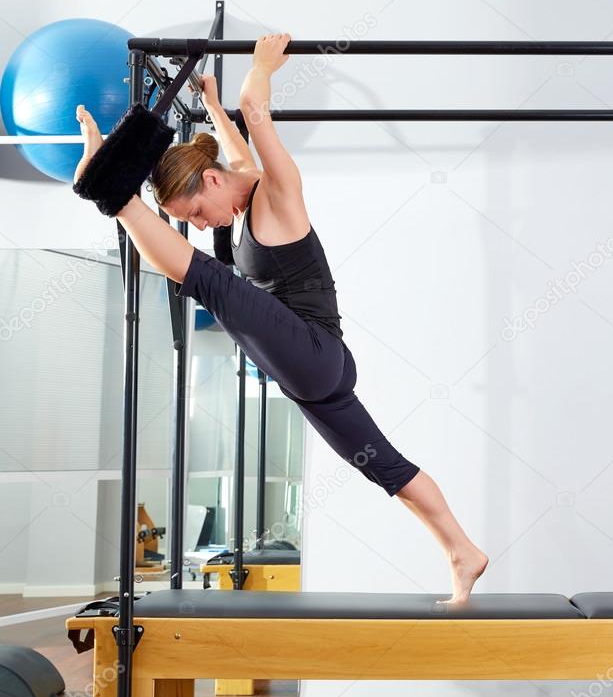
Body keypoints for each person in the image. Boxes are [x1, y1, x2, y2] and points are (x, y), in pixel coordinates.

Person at [74, 33, 488, 604]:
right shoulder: (239, 188)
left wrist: (259, 70)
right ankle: (462, 551)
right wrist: (213, 105)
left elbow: (255, 113)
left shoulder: (279, 192)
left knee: (211, 282)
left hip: (315, 355)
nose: (199, 224)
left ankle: (113, 194)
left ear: (211, 182)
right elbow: (234, 145)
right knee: (383, 466)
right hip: (313, 378)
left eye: (193, 212)